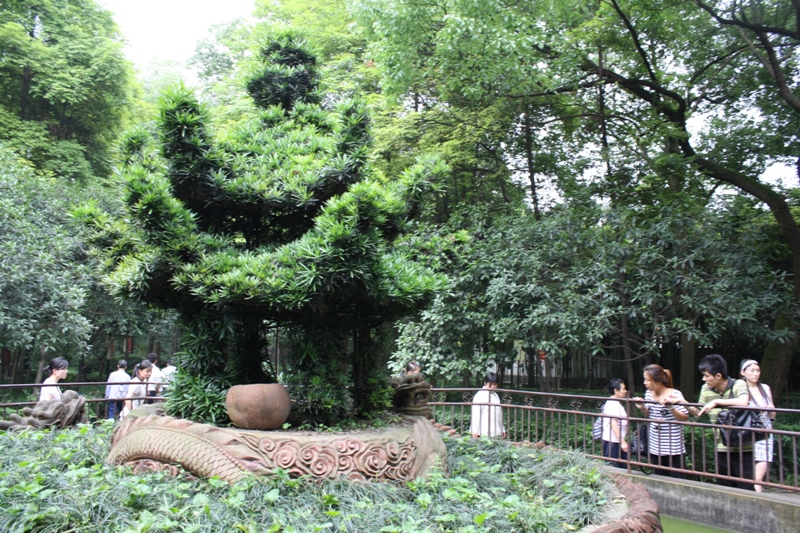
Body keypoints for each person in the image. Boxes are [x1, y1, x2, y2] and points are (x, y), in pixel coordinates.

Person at [678, 354, 754, 490]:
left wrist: (716, 402)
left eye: (706, 376)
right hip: (721, 445)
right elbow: (698, 412)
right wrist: (682, 402)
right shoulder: (706, 389)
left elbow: (743, 402)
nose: (704, 379)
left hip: (743, 446)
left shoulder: (738, 384)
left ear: (718, 376)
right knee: (724, 487)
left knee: (746, 488)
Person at [633, 364, 688, 477]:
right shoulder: (648, 394)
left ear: (657, 381)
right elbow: (650, 414)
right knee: (659, 478)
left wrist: (671, 407)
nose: (645, 383)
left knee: (676, 481)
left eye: (647, 380)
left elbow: (684, 417)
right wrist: (642, 407)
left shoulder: (674, 394)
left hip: (673, 448)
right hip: (655, 446)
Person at [740, 359, 776, 492]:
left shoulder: (765, 388)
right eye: (752, 370)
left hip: (764, 431)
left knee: (759, 476)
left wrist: (771, 409)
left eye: (758, 370)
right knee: (747, 472)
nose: (756, 374)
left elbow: (772, 415)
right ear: (743, 373)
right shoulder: (740, 389)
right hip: (747, 431)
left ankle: (757, 500)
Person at [601, 378, 629, 468]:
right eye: (623, 389)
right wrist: (623, 442)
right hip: (613, 443)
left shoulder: (615, 402)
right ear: (616, 390)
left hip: (616, 442)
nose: (625, 391)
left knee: (621, 468)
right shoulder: (613, 404)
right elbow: (613, 424)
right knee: (614, 470)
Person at [470, 372, 506, 438]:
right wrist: (474, 430)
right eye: (490, 384)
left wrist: (502, 429)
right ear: (485, 383)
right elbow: (475, 414)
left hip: (495, 431)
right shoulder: (480, 395)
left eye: (495, 384)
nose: (493, 387)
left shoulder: (496, 396)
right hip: (482, 432)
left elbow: (499, 414)